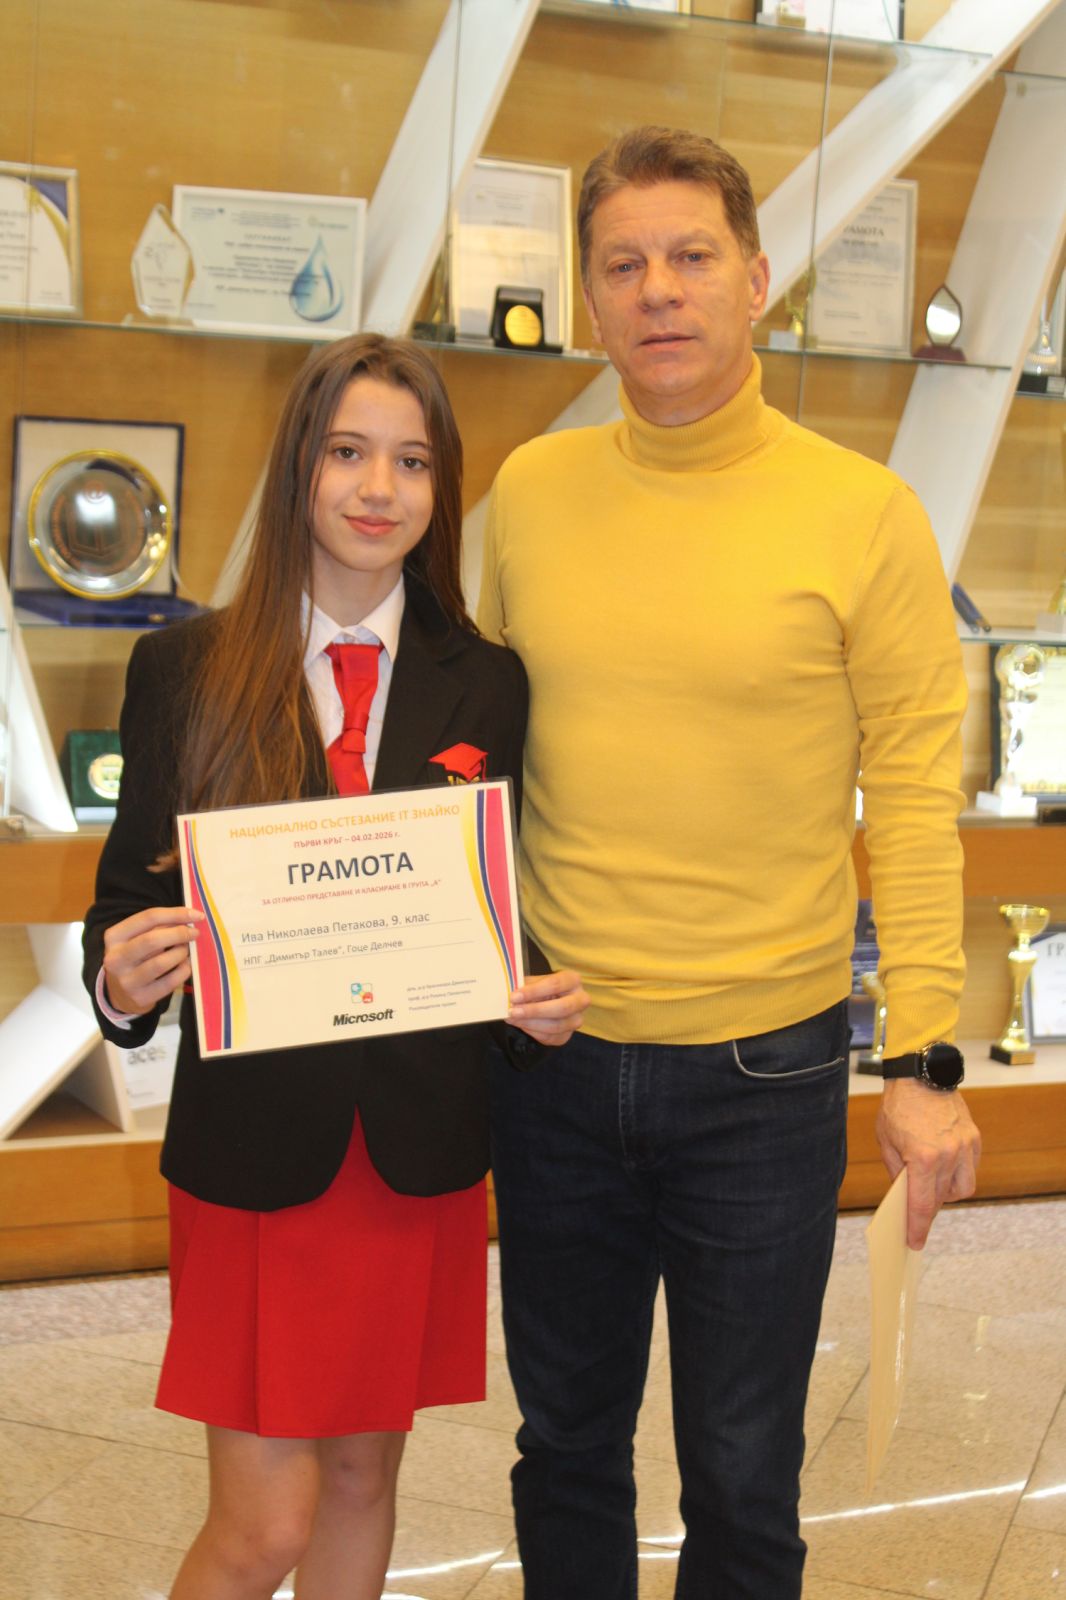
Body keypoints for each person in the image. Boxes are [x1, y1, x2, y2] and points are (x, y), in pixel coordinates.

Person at [477, 126, 981, 1600]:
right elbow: (465, 766)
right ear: (586, 298)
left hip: (764, 1074)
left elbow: (913, 803)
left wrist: (924, 1060)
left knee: (744, 1476)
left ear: (756, 280)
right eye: (622, 264)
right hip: (552, 1064)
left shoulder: (864, 514)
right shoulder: (529, 492)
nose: (658, 290)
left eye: (691, 256)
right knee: (564, 1448)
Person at [82, 332, 587, 1600]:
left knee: (363, 1481)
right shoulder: (186, 668)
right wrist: (122, 981)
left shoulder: (488, 683)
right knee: (265, 1526)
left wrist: (530, 996)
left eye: (412, 461)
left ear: (442, 486)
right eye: (349, 451)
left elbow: (483, 904)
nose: (378, 488)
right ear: (298, 465)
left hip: (413, 1149)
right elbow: (127, 897)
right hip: (255, 1153)